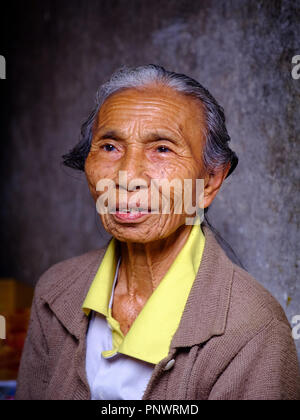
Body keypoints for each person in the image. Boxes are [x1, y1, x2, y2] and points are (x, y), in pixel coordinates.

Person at [15, 65, 300, 400]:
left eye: (162, 149)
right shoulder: (55, 292)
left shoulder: (252, 329)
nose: (127, 175)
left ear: (209, 182)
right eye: (109, 147)